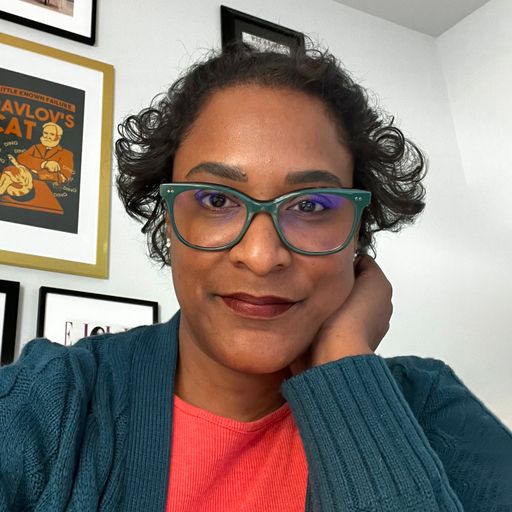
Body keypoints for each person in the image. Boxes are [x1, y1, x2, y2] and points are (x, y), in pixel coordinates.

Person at [0, 43, 511, 512]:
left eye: (312, 205)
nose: (262, 256)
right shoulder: (49, 401)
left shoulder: (430, 407)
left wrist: (345, 370)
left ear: (358, 234)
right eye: (216, 199)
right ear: (167, 220)